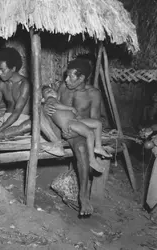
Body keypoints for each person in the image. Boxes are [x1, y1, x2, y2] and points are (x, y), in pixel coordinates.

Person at [44, 58, 103, 216]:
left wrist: (75, 131)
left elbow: (95, 120)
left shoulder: (93, 94)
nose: (66, 80)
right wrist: (48, 107)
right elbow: (54, 105)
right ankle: (55, 141)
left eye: (71, 77)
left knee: (82, 148)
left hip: (77, 131)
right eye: (66, 76)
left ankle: (83, 197)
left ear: (82, 78)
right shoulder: (63, 87)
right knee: (41, 108)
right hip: (57, 129)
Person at [42, 86, 111, 172]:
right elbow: (55, 105)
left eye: (52, 90)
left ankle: (98, 147)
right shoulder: (49, 100)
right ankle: (92, 160)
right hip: (69, 124)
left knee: (98, 124)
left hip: (74, 121)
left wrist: (76, 115)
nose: (51, 91)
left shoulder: (58, 100)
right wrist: (70, 108)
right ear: (43, 99)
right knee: (89, 133)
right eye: (48, 91)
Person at [0, 48, 30, 135]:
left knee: (1, 135)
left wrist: (0, 129)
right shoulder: (1, 84)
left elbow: (17, 112)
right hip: (5, 119)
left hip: (21, 119)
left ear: (13, 69)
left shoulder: (24, 84)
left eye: (3, 70)